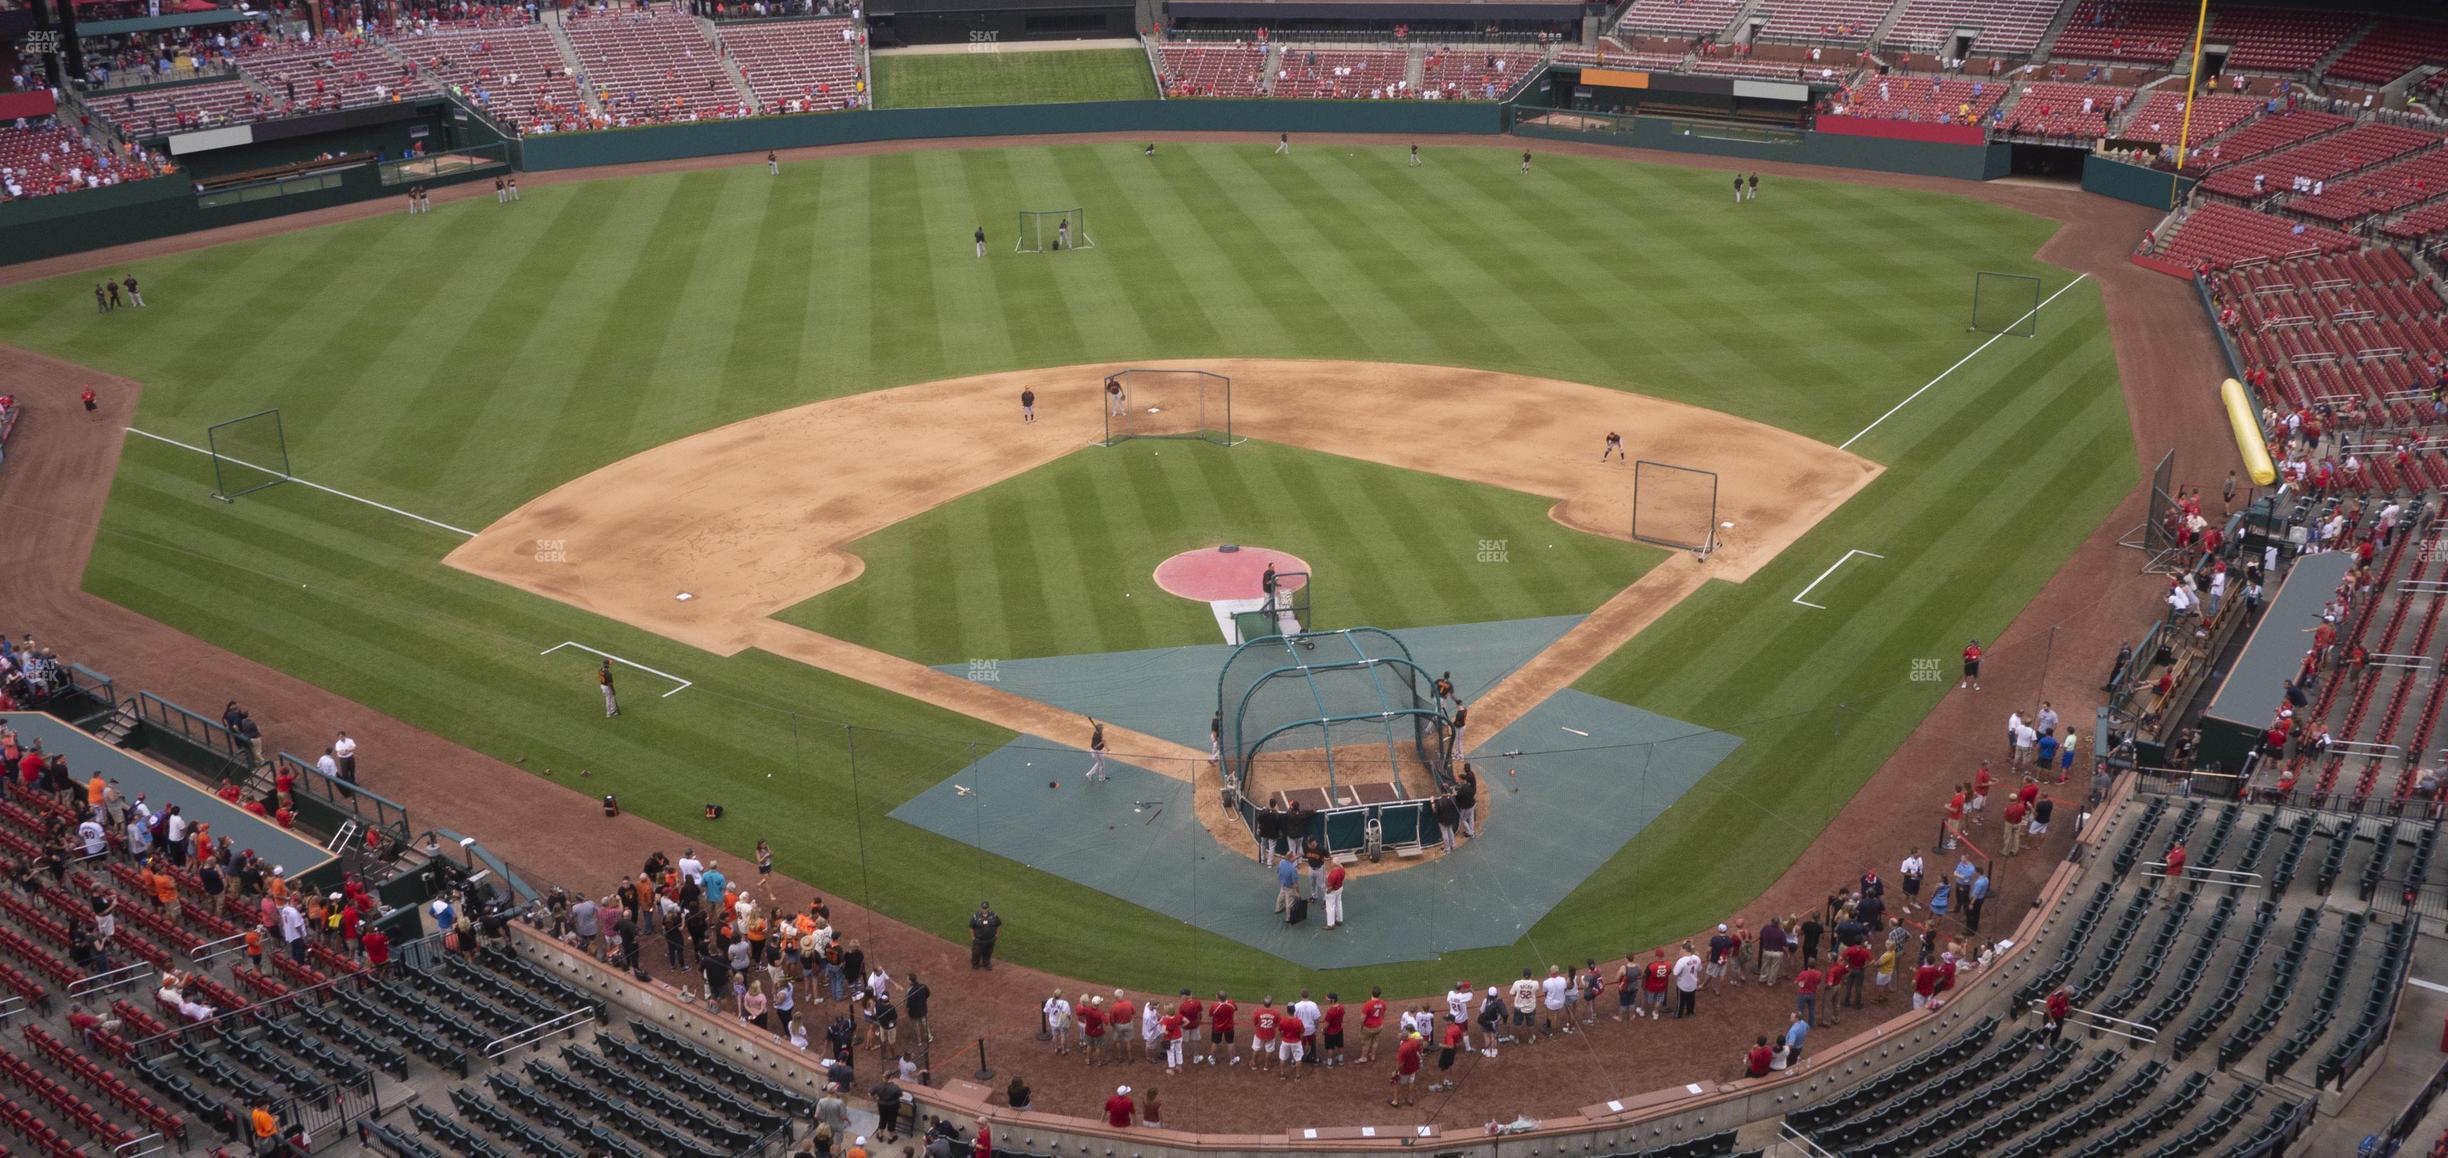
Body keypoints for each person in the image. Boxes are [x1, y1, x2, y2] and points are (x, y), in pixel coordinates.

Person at [1391, 1029, 1423, 1105]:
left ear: (1402, 1037)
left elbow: (1401, 1063)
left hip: (1405, 1070)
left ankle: (1395, 1101)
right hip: (1414, 1066)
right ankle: (1410, 1099)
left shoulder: (1402, 1048)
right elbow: (1419, 1051)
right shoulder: (1414, 1041)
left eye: (1399, 1034)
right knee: (1411, 1081)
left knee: (1395, 1082)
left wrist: (1395, 1071)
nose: (1398, 1035)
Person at [968, 901, 1000, 969]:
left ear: (988, 908)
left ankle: (986, 964)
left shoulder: (994, 915)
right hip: (979, 940)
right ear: (980, 908)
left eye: (986, 908)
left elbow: (998, 925)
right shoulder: (975, 916)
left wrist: (997, 935)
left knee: (988, 952)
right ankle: (975, 964)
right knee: (976, 953)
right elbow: (971, 927)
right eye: (983, 908)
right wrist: (973, 937)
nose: (984, 909)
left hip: (990, 939)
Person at [1322, 860, 1346, 929]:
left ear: (1334, 864)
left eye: (1332, 862)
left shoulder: (1332, 875)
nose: (1330, 863)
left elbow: (1330, 887)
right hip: (1340, 888)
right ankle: (1339, 920)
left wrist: (1327, 892)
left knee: (1330, 907)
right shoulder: (1342, 869)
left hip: (1333, 892)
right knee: (1338, 904)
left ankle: (1330, 924)